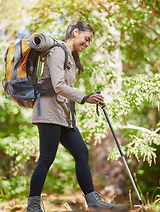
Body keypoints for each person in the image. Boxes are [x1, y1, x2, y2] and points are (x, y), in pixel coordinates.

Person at [26, 21, 126, 211]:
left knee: (81, 152)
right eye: (86, 38)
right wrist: (85, 98)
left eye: (90, 41)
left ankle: (93, 201)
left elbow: (64, 91)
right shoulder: (57, 51)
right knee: (47, 158)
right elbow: (58, 86)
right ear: (75, 32)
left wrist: (87, 99)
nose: (87, 43)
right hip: (48, 113)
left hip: (63, 116)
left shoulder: (71, 58)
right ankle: (33, 206)